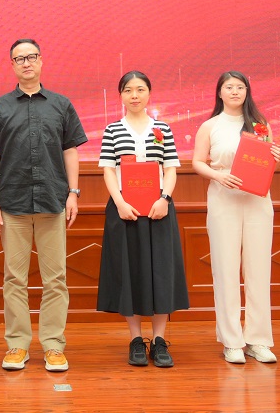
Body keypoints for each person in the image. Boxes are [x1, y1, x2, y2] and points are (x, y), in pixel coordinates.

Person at [0, 39, 88, 372]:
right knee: (14, 278)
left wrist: (73, 193)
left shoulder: (61, 105)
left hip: (53, 200)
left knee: (56, 279)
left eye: (31, 57)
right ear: (12, 65)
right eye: (19, 58)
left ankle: (53, 345)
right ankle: (17, 345)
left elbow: (70, 151)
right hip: (12, 204)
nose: (26, 63)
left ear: (41, 61)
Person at [96, 71, 189, 368]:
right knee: (130, 272)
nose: (134, 95)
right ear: (121, 95)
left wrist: (165, 199)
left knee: (160, 272)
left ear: (149, 93)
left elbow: (170, 168)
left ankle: (159, 340)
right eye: (128, 90)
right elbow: (108, 169)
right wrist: (120, 203)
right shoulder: (113, 129)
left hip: (159, 209)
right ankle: (136, 339)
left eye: (140, 89)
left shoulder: (163, 128)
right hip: (125, 210)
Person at [192, 71, 280, 365]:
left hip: (258, 200)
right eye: (229, 87)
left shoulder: (260, 125)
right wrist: (218, 176)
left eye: (240, 87)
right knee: (226, 270)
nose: (235, 92)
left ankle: (258, 340)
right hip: (224, 199)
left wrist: (277, 157)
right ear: (219, 92)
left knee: (259, 270)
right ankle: (231, 341)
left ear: (247, 92)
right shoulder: (210, 126)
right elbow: (197, 162)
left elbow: (266, 162)